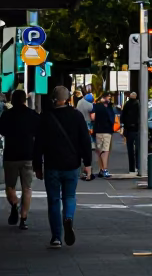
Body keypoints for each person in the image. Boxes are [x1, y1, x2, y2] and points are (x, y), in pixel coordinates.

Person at [34, 86, 93, 248]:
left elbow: (38, 144)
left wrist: (37, 165)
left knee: (53, 201)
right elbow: (85, 141)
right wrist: (87, 164)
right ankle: (68, 217)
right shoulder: (77, 116)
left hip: (52, 165)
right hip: (72, 165)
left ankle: (56, 238)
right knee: (69, 196)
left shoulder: (45, 117)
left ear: (54, 98)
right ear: (68, 99)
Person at [0, 89, 39, 231]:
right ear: (24, 100)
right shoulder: (32, 115)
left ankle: (15, 203)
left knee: (10, 186)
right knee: (27, 188)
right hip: (28, 155)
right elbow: (38, 132)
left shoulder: (6, 115)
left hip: (10, 155)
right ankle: (23, 219)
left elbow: (2, 131)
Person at [91, 94, 117, 179]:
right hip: (107, 131)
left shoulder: (96, 107)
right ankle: (105, 169)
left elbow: (93, 117)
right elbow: (113, 119)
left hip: (98, 130)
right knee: (105, 150)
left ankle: (101, 169)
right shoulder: (110, 108)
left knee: (100, 151)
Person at [122, 92, 141, 175]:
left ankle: (131, 168)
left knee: (130, 149)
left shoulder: (126, 104)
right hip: (137, 129)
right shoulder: (139, 104)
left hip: (129, 130)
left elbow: (122, 117)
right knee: (138, 149)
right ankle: (138, 166)